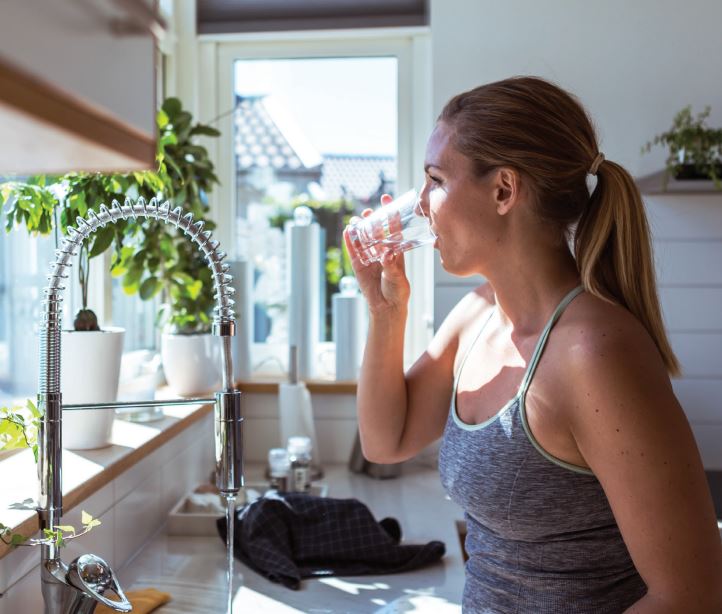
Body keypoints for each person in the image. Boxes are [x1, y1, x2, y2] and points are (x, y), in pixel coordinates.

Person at [344, 76, 722, 613]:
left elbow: (691, 597)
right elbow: (387, 441)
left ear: (504, 189)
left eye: (435, 180)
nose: (422, 206)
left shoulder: (593, 352)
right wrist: (386, 312)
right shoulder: (479, 313)